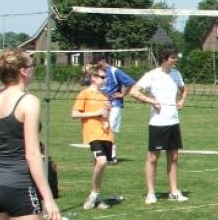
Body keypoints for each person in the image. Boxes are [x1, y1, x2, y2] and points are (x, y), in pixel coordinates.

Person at [0, 49, 61, 220]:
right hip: (19, 187)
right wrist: (48, 198)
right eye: (32, 65)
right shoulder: (28, 102)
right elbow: (33, 155)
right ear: (23, 71)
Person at [129, 49, 190, 204]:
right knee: (153, 157)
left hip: (173, 122)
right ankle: (151, 193)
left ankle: (174, 191)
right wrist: (151, 101)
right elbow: (134, 92)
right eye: (172, 58)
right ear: (164, 59)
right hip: (157, 123)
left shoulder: (176, 74)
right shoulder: (152, 75)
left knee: (174, 157)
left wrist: (182, 100)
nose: (175, 60)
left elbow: (184, 89)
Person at [71, 64, 114, 210]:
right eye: (102, 77)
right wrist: (97, 113)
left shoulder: (105, 95)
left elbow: (105, 114)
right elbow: (74, 114)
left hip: (106, 134)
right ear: (93, 78)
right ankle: (94, 193)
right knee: (101, 161)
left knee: (100, 166)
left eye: (105, 77)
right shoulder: (84, 94)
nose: (104, 79)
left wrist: (107, 113)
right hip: (92, 134)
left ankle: (96, 197)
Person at [93, 54, 135, 163]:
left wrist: (123, 94)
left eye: (98, 62)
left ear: (103, 60)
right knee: (100, 129)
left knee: (109, 129)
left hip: (115, 104)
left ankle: (112, 156)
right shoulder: (97, 73)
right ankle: (102, 155)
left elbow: (130, 82)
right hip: (102, 104)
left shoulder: (114, 71)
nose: (97, 65)